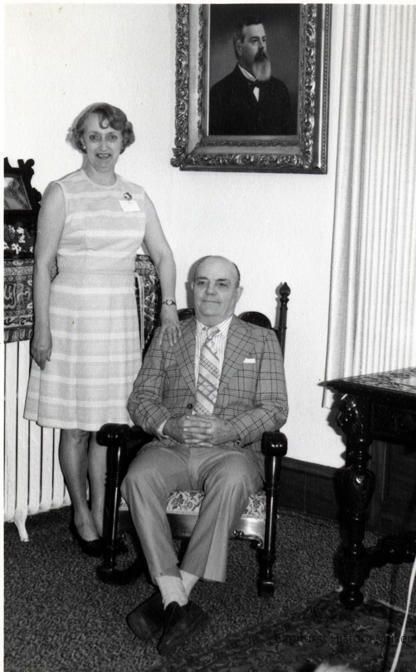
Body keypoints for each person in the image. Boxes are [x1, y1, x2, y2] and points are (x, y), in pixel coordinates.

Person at [24, 102, 180, 557]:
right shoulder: (62, 192)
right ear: (82, 141)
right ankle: (81, 513)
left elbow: (164, 255)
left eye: (111, 136)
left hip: (117, 318)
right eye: (94, 136)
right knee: (75, 425)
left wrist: (169, 306)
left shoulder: (136, 195)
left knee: (106, 424)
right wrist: (41, 329)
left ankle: (102, 509)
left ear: (123, 141)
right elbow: (42, 265)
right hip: (72, 315)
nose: (103, 145)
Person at [122, 255, 288, 653]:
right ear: (191, 289)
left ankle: (175, 591)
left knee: (233, 480)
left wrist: (229, 429)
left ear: (237, 292)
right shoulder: (168, 335)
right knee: (137, 478)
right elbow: (140, 399)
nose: (210, 292)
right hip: (173, 445)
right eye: (202, 282)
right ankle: (175, 599)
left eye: (221, 284)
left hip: (232, 451)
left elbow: (275, 408)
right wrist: (169, 425)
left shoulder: (261, 340)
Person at [209, 16, 295, 136]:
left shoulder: (280, 90)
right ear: (239, 48)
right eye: (255, 41)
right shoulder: (219, 94)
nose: (262, 46)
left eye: (264, 40)